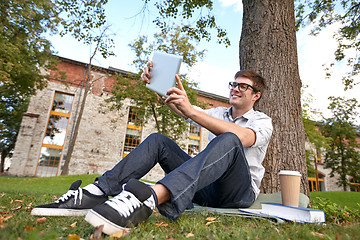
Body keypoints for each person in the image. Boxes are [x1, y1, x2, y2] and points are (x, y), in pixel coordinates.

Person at [31, 63, 273, 236]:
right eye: (234, 84)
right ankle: (95, 192)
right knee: (158, 140)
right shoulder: (218, 113)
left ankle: (148, 198)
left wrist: (192, 110)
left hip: (238, 193)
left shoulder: (262, 121)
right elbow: (183, 110)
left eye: (243, 86)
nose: (235, 88)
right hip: (205, 188)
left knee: (229, 138)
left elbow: (241, 137)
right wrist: (158, 86)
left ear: (256, 95)